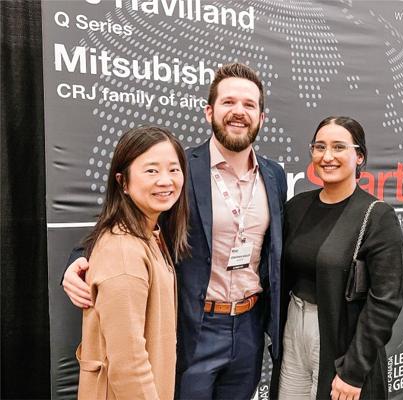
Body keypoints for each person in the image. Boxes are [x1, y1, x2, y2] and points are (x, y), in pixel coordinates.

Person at [63, 63, 287, 400]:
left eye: (249, 104)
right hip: (194, 328)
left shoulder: (274, 175)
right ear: (209, 111)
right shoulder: (179, 168)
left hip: (249, 327)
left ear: (261, 117)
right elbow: (125, 221)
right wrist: (78, 261)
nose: (239, 112)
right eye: (228, 102)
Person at [272, 116, 403, 400]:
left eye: (339, 147)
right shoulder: (297, 207)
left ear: (359, 156)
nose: (327, 156)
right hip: (294, 327)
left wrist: (353, 371)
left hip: (340, 337)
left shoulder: (377, 217)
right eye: (319, 147)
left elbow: (385, 302)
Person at [76, 126, 189, 399]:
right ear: (123, 182)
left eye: (174, 169)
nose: (165, 181)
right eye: (151, 171)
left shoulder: (150, 235)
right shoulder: (123, 251)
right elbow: (128, 365)